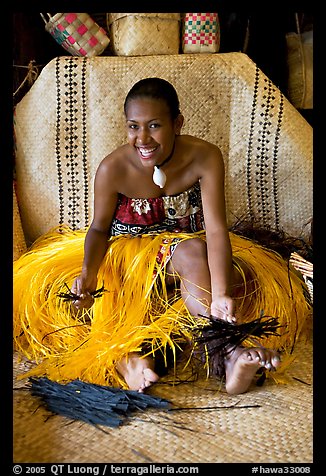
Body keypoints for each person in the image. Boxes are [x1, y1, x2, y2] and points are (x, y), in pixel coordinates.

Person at [14, 78, 310, 395]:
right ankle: (137, 360)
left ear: (177, 123)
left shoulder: (205, 156)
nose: (142, 138)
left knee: (200, 255)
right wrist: (88, 276)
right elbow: (98, 229)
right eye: (133, 126)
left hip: (187, 253)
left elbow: (215, 228)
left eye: (154, 125)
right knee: (121, 299)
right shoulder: (112, 168)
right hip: (128, 260)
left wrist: (222, 293)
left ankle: (228, 354)